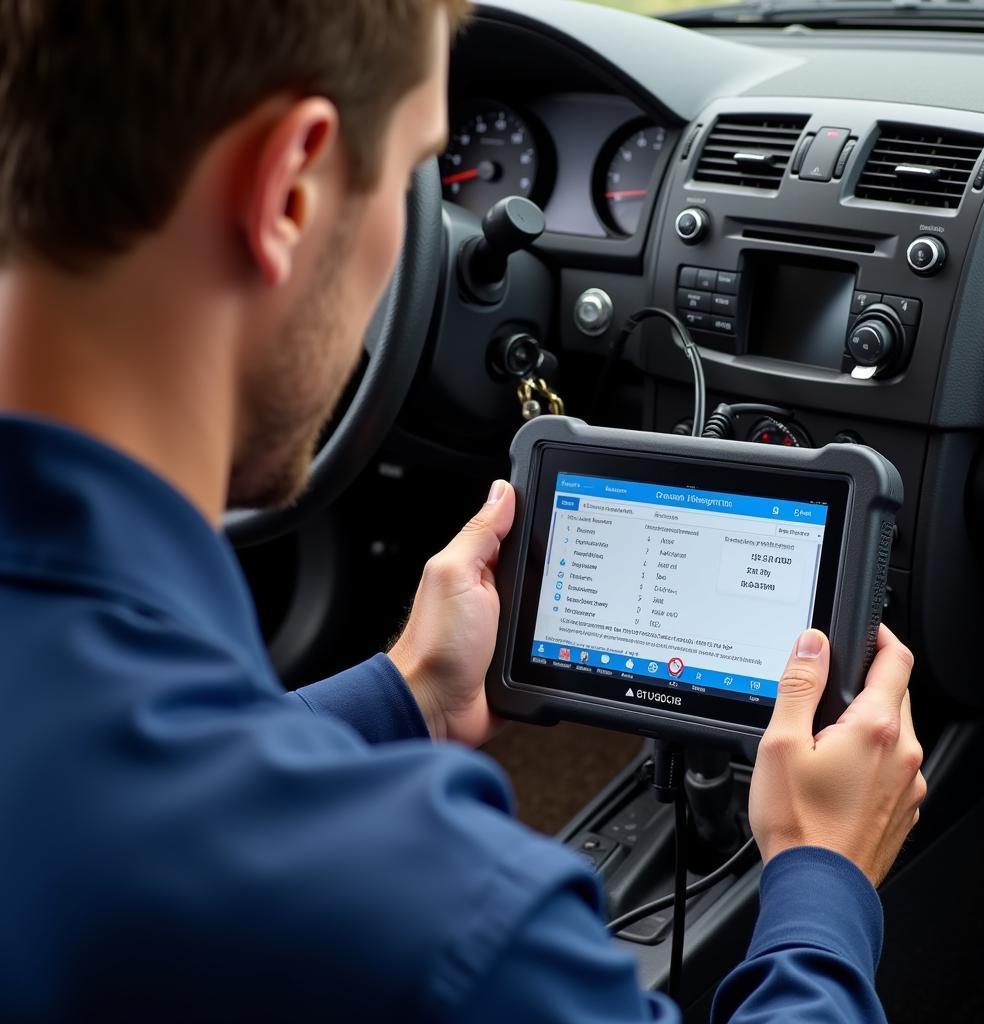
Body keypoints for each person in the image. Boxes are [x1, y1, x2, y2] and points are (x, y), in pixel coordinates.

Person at [0, 2, 925, 1021]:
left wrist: (405, 696)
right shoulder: (451, 926)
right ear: (288, 191)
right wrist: (819, 877)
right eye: (416, 168)